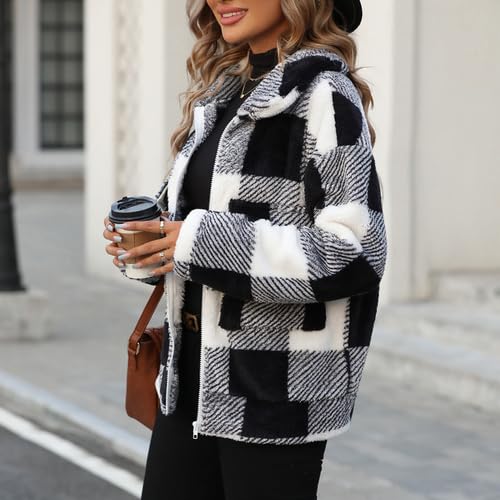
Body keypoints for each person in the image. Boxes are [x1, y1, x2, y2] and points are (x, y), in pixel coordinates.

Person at [103, 0, 387, 498]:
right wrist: (152, 243)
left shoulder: (325, 94)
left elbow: (355, 251)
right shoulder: (224, 91)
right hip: (188, 379)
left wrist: (196, 240)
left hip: (274, 391)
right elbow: (196, 231)